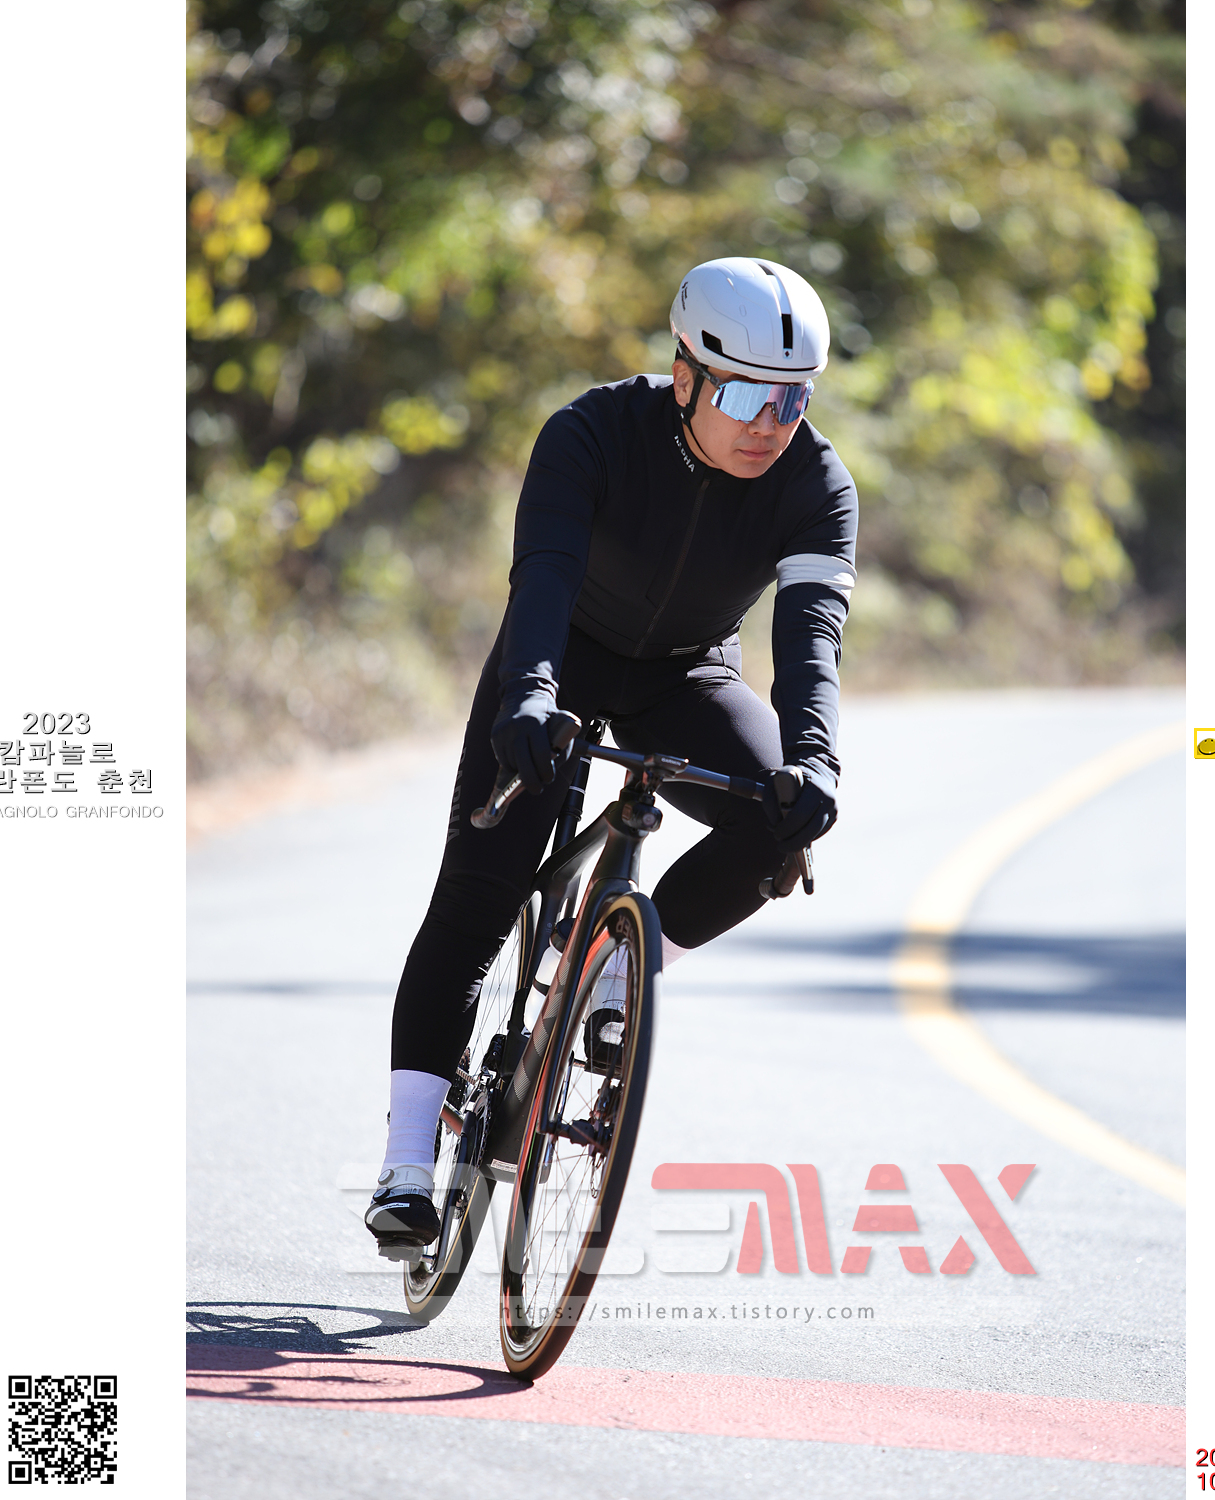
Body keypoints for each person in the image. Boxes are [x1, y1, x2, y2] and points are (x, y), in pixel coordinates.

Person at [366, 256, 859, 1258]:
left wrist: (815, 761)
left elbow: (812, 638)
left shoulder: (816, 483)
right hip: (563, 657)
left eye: (794, 398)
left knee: (779, 827)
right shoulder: (589, 433)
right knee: (479, 892)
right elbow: (544, 579)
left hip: (689, 673)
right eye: (747, 395)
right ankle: (407, 1165)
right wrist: (529, 699)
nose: (771, 424)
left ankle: (613, 976)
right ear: (685, 376)